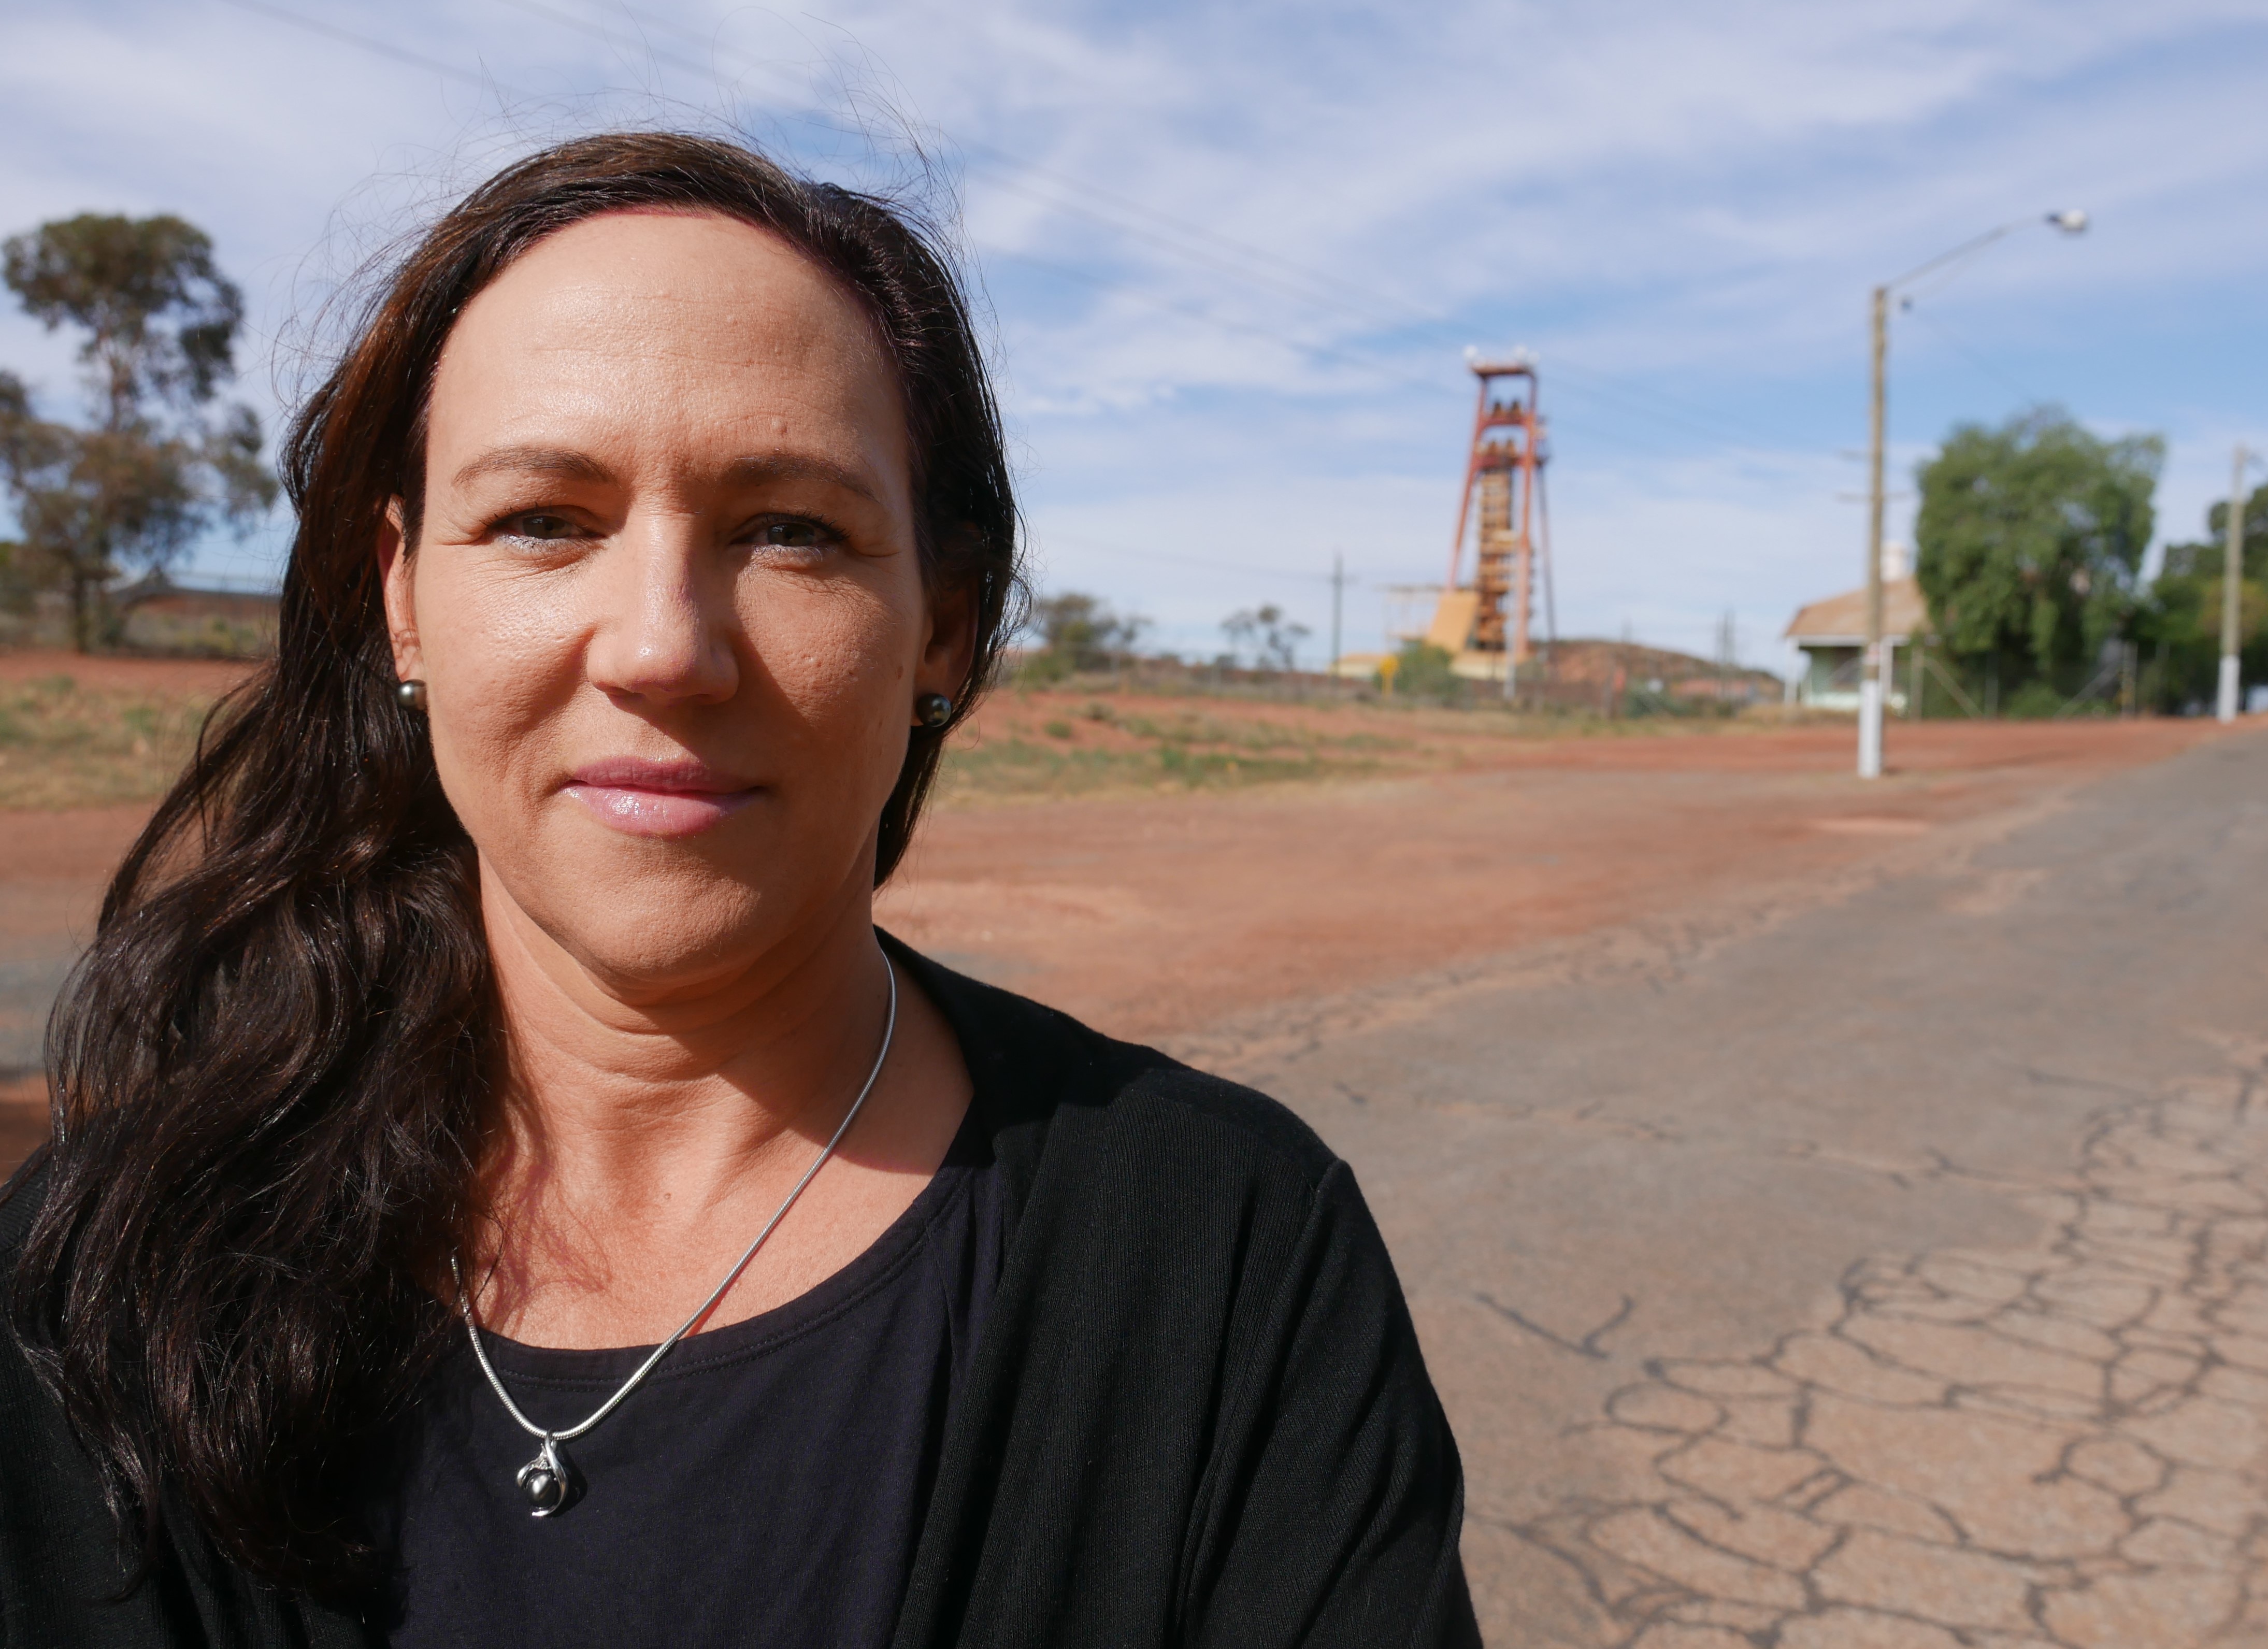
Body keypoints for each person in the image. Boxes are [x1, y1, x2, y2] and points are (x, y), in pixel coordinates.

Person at [0, 133, 1477, 1647]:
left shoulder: (1224, 1258)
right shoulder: (106, 1277)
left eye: (791, 530)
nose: (660, 646)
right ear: (403, 599)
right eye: (546, 521)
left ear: (945, 631)